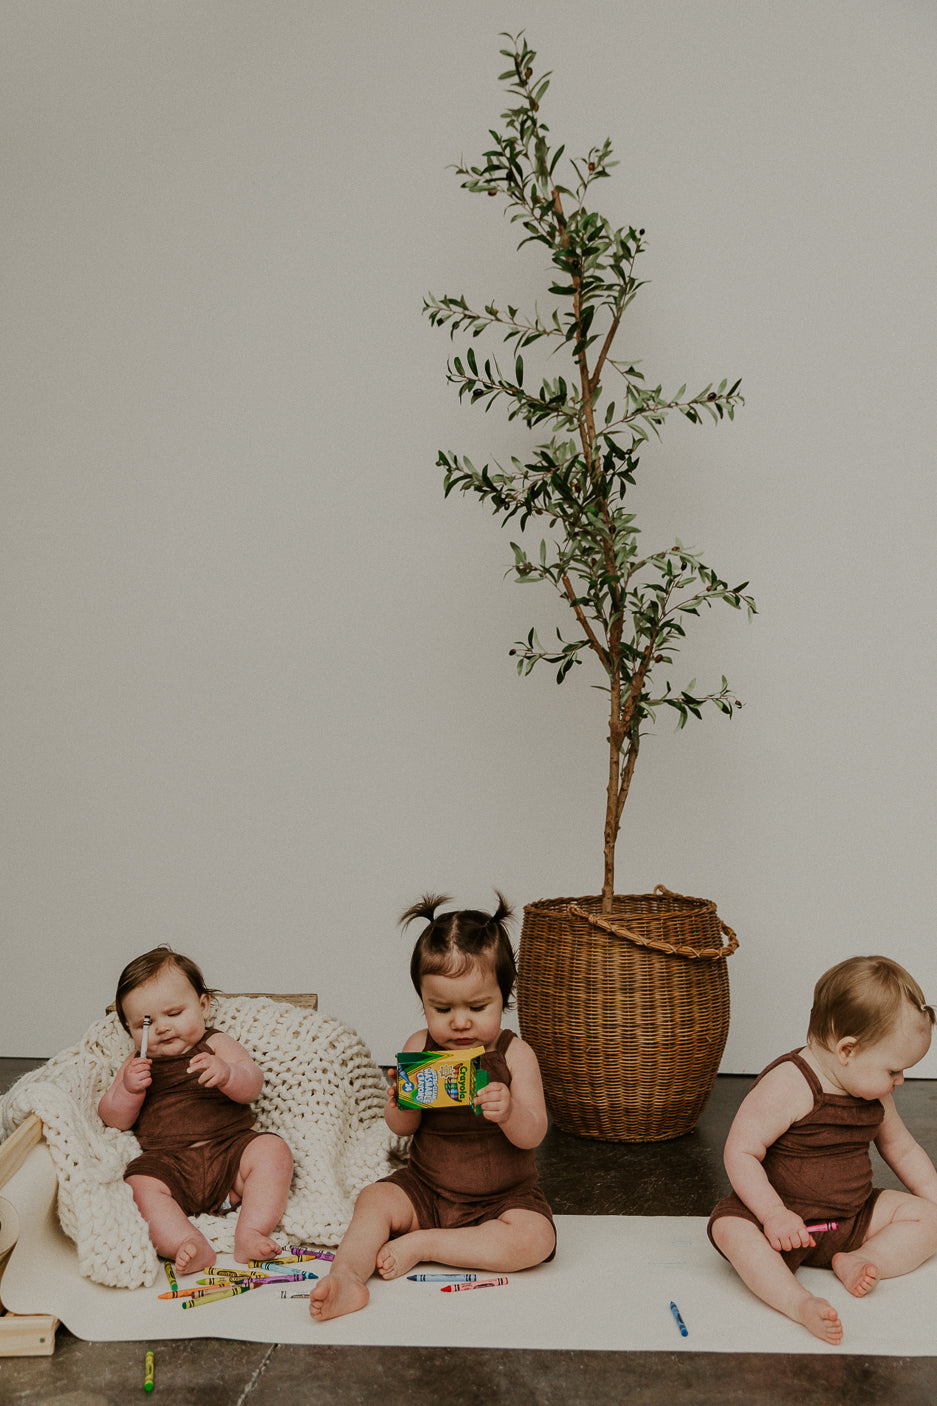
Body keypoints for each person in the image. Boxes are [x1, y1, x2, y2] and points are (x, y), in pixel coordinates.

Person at [310, 892, 556, 1321]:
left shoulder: (515, 1054)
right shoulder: (419, 1048)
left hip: (502, 1199)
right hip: (426, 1189)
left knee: (536, 1239)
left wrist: (510, 1112)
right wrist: (399, 1104)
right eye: (441, 1009)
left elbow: (534, 1132)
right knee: (375, 1199)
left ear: (505, 997)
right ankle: (347, 1277)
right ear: (422, 1001)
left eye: (477, 1007)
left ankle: (425, 1245)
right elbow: (402, 1129)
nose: (459, 1022)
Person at [708, 955, 937, 1344]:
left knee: (929, 1218)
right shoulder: (790, 1084)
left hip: (852, 1219)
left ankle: (863, 1260)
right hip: (778, 1225)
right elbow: (741, 1151)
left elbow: (904, 1150)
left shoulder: (875, 1094)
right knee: (731, 1231)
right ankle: (798, 1302)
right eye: (893, 1070)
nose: (900, 1080)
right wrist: (773, 1214)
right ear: (846, 1050)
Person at [98, 945, 293, 1276]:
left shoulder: (216, 1044)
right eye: (145, 1023)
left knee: (273, 1150)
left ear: (202, 1006)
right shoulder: (137, 1062)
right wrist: (129, 1090)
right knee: (138, 1185)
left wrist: (228, 1074)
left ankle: (250, 1232)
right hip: (168, 1163)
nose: (161, 1028)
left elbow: (253, 1083)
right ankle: (187, 1241)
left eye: (174, 1014)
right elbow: (114, 1118)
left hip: (230, 1153)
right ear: (129, 1029)